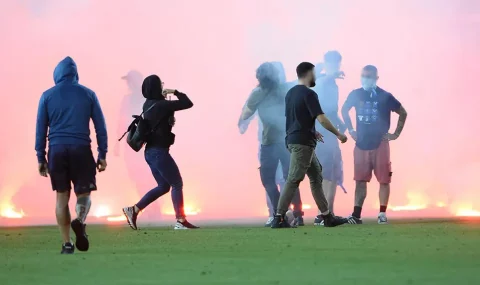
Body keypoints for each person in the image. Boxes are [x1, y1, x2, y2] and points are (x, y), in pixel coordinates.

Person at [35, 56, 108, 254]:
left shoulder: (47, 96)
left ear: (57, 75)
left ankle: (67, 244)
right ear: (75, 74)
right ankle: (80, 219)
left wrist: (41, 158)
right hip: (81, 149)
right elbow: (100, 127)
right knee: (83, 194)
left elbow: (40, 130)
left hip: (57, 151)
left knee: (61, 198)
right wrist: (102, 154)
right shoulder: (89, 94)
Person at [271, 62, 348, 228]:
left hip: (297, 140)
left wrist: (312, 132)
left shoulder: (290, 94)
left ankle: (327, 217)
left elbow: (295, 119)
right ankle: (279, 218)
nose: (315, 76)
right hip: (302, 144)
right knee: (293, 179)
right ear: (308, 73)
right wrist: (338, 134)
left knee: (316, 176)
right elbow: (321, 118)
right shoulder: (309, 94)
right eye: (314, 73)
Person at [122, 75, 199, 230]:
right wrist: (175, 92)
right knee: (177, 183)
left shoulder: (148, 104)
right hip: (159, 152)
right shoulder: (162, 105)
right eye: (160, 84)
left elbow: (161, 118)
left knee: (164, 186)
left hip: (150, 153)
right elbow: (187, 103)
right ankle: (180, 220)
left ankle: (134, 210)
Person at [341, 65, 408, 224]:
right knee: (360, 180)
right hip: (361, 144)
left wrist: (395, 134)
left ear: (376, 78)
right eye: (364, 75)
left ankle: (382, 214)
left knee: (384, 180)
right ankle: (356, 215)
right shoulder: (355, 94)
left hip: (380, 144)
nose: (366, 78)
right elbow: (344, 110)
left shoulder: (385, 96)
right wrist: (350, 129)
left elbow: (403, 112)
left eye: (369, 76)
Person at [240, 62, 304, 226]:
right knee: (291, 179)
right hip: (288, 141)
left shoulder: (258, 93)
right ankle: (296, 215)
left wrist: (241, 122)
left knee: (269, 179)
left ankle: (279, 214)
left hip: (271, 143)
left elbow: (247, 113)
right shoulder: (286, 89)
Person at [114, 70, 159, 217]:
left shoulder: (145, 99)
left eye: (129, 81)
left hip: (141, 144)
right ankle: (151, 209)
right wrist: (118, 142)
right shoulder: (131, 99)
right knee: (139, 177)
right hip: (134, 144)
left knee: (144, 177)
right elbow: (122, 122)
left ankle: (153, 209)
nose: (127, 84)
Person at [311, 51, 347, 226]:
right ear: (325, 64)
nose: (336, 67)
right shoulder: (321, 80)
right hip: (321, 131)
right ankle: (321, 214)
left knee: (333, 171)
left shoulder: (333, 84)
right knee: (324, 172)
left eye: (337, 63)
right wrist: (329, 74)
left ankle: (328, 213)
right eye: (331, 63)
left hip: (332, 132)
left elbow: (331, 108)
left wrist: (340, 121)